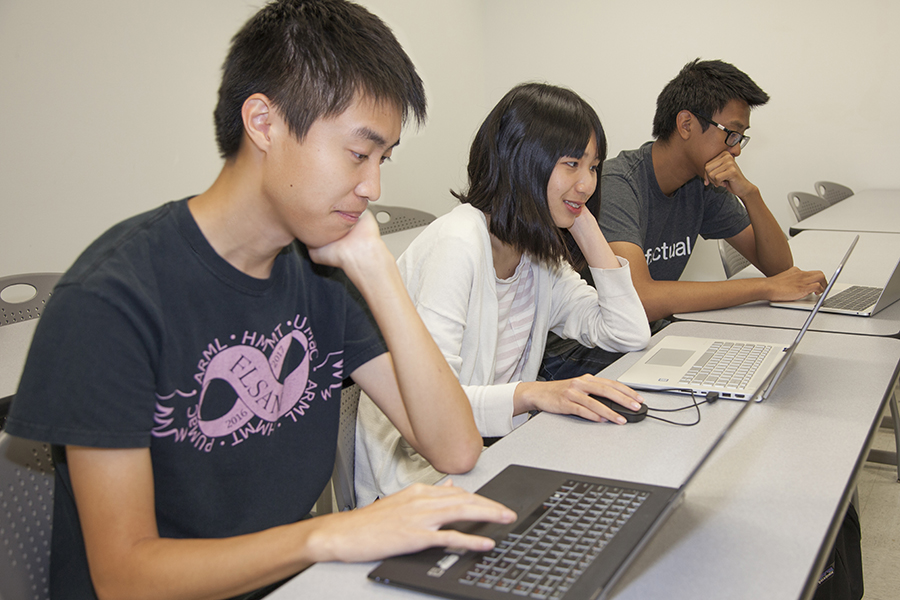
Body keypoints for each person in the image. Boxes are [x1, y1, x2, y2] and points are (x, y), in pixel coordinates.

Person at [4, 2, 518, 599]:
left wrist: (378, 273)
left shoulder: (322, 271)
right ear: (264, 123)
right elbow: (126, 578)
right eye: (358, 153)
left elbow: (454, 447)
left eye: (383, 160)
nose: (373, 186)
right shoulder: (111, 301)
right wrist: (327, 535)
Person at [355, 82, 652, 506]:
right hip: (415, 481)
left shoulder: (537, 253)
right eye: (572, 165)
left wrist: (583, 222)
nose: (586, 183)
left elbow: (627, 333)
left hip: (491, 456)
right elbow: (433, 409)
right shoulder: (457, 243)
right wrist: (533, 393)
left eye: (594, 168)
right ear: (523, 162)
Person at [598, 59, 827, 324]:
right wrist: (763, 288)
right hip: (589, 351)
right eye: (732, 133)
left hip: (646, 334)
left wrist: (750, 194)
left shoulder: (704, 184)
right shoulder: (617, 185)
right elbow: (638, 299)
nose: (736, 150)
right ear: (685, 124)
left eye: (741, 137)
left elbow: (780, 270)